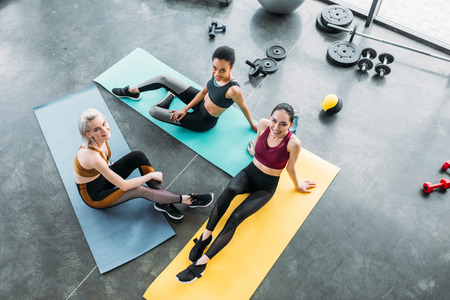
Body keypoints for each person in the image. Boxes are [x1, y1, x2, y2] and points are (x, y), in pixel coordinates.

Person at [175, 103, 317, 283]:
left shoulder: (293, 143)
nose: (276, 127)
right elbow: (259, 141)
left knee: (235, 217)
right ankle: (205, 237)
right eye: (274, 120)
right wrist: (254, 151)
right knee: (230, 189)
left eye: (283, 124)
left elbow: (291, 168)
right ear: (270, 117)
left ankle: (202, 263)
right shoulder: (264, 124)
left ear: (290, 125)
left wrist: (298, 185)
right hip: (250, 172)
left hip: (266, 186)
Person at [74, 108, 213, 220]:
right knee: (138, 189)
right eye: (96, 129)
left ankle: (162, 202)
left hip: (101, 176)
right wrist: (151, 175)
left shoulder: (99, 140)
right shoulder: (92, 156)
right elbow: (124, 185)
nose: (104, 130)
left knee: (137, 156)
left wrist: (107, 166)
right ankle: (188, 199)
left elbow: (100, 164)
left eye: (104, 124)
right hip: (94, 195)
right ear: (88, 133)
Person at [112, 46, 257, 132]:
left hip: (203, 120)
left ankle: (169, 97)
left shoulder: (234, 90)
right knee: (164, 78)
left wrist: (252, 125)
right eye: (214, 68)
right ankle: (132, 91)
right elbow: (203, 91)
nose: (217, 74)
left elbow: (244, 107)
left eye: (222, 70)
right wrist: (185, 109)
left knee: (154, 111)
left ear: (231, 68)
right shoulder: (216, 72)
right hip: (199, 101)